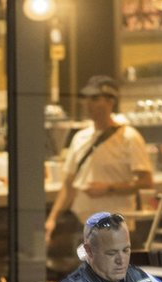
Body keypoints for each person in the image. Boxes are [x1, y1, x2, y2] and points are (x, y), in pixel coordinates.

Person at [44, 75, 153, 246]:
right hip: (82, 227)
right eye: (86, 98)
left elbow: (146, 182)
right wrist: (52, 219)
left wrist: (109, 188)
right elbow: (69, 185)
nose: (88, 104)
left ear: (111, 101)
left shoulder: (129, 137)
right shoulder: (80, 137)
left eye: (95, 99)